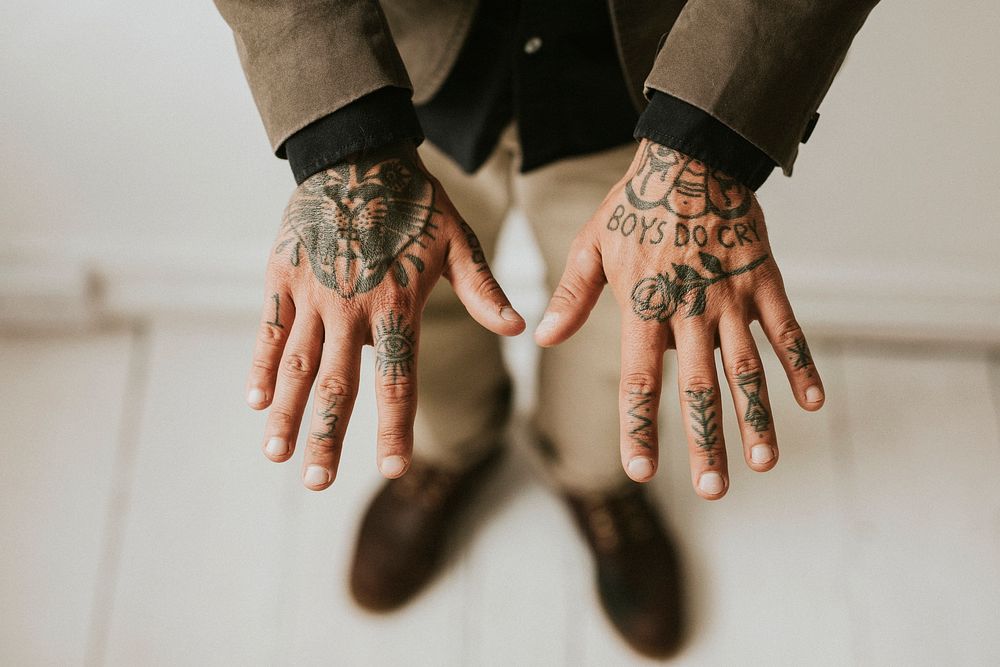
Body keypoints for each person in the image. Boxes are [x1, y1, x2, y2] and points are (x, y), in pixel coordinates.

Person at [215, 0, 879, 657]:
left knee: (627, 321)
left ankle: (598, 479)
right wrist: (341, 125)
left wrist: (712, 127)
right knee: (413, 308)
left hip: (643, 79)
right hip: (402, 66)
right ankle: (450, 452)